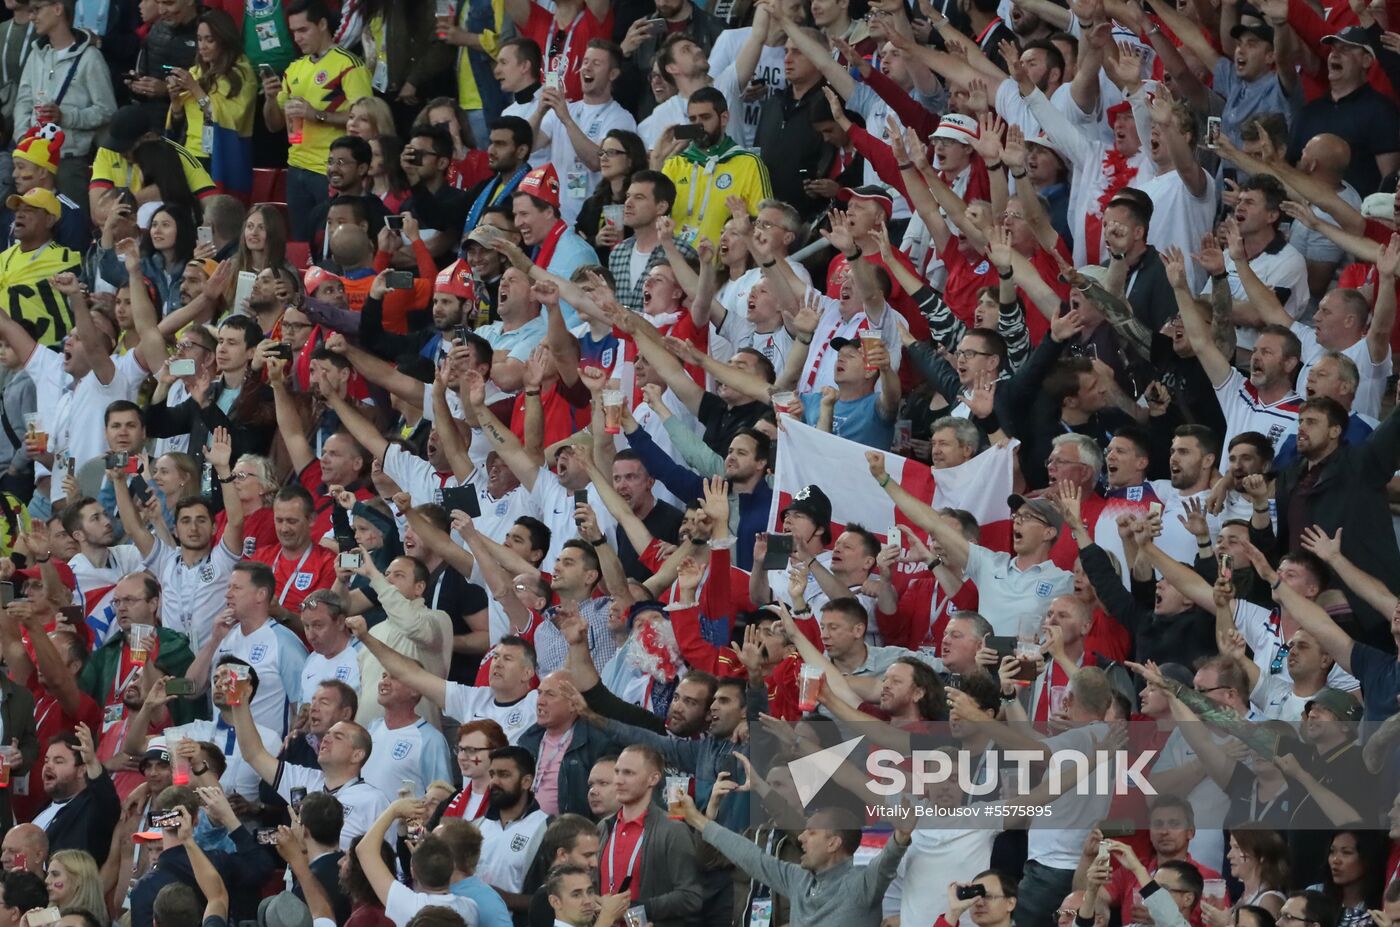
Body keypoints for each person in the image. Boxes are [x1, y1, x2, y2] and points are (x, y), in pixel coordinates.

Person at [262, 0, 373, 241]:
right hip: (296, 167)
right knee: (302, 242)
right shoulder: (294, 69)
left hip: (331, 170)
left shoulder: (348, 65)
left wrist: (317, 115)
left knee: (331, 243)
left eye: (303, 30)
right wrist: (271, 99)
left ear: (322, 24)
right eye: (293, 32)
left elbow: (368, 121)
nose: (297, 38)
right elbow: (274, 125)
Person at [12, 0, 116, 204]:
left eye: (37, 9)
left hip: (69, 161)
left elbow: (107, 110)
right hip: (34, 162)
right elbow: (23, 101)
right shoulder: (37, 54)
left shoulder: (90, 57)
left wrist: (66, 117)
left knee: (70, 228)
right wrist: (24, 139)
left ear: (58, 9)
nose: (32, 16)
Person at [354, 799, 482, 927]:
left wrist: (393, 810)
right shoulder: (470, 908)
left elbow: (364, 850)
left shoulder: (409, 905)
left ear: (413, 871)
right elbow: (432, 854)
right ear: (451, 868)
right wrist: (413, 826)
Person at [33, 726, 118, 864]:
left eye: (59, 761)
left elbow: (107, 800)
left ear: (81, 771)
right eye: (46, 760)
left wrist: (91, 761)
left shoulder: (91, 809)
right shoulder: (43, 808)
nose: (48, 766)